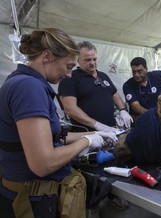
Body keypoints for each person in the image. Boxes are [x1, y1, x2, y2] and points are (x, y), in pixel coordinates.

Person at [0, 28, 117, 217]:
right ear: (47, 56)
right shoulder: (29, 87)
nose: (70, 74)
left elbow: (51, 137)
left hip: (31, 195)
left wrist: (93, 134)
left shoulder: (23, 82)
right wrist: (85, 143)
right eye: (69, 66)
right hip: (31, 201)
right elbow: (43, 163)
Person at [58, 41, 133, 131]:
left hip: (111, 129)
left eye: (94, 59)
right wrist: (97, 125)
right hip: (88, 134)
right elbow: (70, 109)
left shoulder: (103, 76)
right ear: (78, 60)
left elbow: (115, 95)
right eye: (88, 60)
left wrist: (122, 110)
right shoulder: (70, 78)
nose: (93, 63)